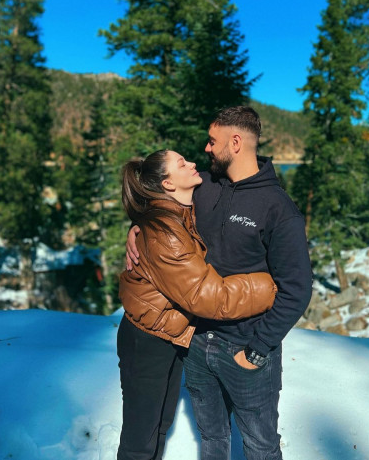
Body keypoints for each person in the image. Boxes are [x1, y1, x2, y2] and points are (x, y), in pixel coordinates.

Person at [126, 107, 313, 460]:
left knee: (260, 446)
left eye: (213, 141)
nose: (206, 149)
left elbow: (298, 288)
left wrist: (258, 348)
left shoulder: (278, 208)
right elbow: (162, 204)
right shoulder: (204, 185)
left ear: (235, 142)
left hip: (247, 348)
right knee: (212, 439)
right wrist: (137, 228)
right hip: (197, 342)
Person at [117, 149, 278, 460]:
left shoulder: (179, 212)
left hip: (166, 333)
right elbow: (209, 297)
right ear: (167, 184)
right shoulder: (166, 232)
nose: (193, 164)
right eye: (182, 163)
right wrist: (269, 286)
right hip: (146, 340)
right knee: (140, 439)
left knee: (158, 427)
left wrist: (137, 224)